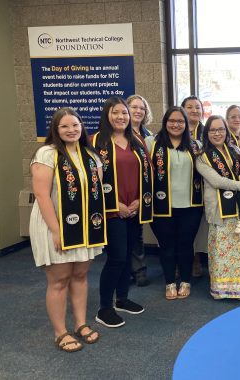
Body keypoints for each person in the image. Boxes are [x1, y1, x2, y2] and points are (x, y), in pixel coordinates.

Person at [30, 107, 103, 352]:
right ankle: (60, 332)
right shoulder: (47, 153)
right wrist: (56, 230)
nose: (71, 130)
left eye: (75, 125)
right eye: (65, 126)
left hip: (83, 228)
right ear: (56, 129)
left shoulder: (90, 155)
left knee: (81, 275)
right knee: (59, 279)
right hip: (55, 224)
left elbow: (96, 191)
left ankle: (81, 324)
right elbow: (41, 195)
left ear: (82, 127)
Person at [93, 97, 153, 328]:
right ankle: (104, 307)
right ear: (107, 114)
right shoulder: (96, 141)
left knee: (128, 254)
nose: (121, 117)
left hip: (134, 208)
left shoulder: (135, 140)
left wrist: (140, 200)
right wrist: (115, 204)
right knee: (116, 257)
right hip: (111, 211)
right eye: (116, 112)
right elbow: (92, 180)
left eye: (125, 113)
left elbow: (146, 171)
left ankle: (122, 298)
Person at [196, 115, 240, 300]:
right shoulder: (202, 157)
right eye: (213, 130)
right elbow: (217, 181)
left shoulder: (237, 150)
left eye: (221, 129)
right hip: (220, 212)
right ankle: (224, 290)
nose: (217, 133)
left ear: (226, 131)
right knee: (224, 249)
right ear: (207, 133)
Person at [146, 107, 203, 300]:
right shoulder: (151, 143)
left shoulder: (196, 145)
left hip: (191, 205)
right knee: (167, 245)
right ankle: (170, 282)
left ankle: (185, 281)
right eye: (172, 120)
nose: (176, 124)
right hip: (161, 206)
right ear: (165, 122)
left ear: (186, 124)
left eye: (180, 121)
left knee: (186, 245)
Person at [126, 94, 154, 287]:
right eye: (134, 107)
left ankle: (139, 269)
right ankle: (125, 271)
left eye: (142, 108)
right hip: (122, 192)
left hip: (142, 191)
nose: (138, 111)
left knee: (137, 232)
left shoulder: (149, 136)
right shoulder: (118, 134)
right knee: (121, 235)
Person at [182, 95, 206, 277]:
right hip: (180, 187)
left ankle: (197, 258)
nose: (194, 110)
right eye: (189, 107)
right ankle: (181, 260)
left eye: (198, 107)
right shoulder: (173, 130)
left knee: (198, 228)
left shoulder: (208, 132)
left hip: (204, 186)